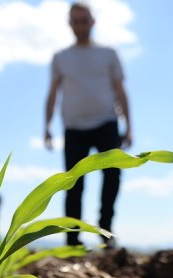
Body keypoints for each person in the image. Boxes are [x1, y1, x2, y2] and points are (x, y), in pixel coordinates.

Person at [43, 2, 132, 248]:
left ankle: (106, 233)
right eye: (76, 21)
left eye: (84, 21)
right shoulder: (61, 58)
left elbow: (120, 90)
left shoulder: (108, 54)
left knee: (112, 176)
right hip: (74, 127)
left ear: (93, 22)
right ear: (70, 24)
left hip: (106, 122)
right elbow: (52, 94)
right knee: (73, 183)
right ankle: (72, 240)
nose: (80, 26)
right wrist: (47, 127)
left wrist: (129, 126)